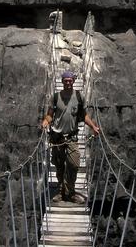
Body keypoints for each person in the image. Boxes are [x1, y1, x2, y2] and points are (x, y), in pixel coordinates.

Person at [41, 71, 100, 203]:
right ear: (62, 81)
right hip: (57, 137)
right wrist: (46, 121)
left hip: (72, 137)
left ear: (73, 80)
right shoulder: (56, 97)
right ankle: (63, 192)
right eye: (66, 80)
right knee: (59, 165)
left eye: (70, 80)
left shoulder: (79, 96)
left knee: (73, 164)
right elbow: (50, 114)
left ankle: (69, 191)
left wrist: (93, 127)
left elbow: (84, 115)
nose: (68, 82)